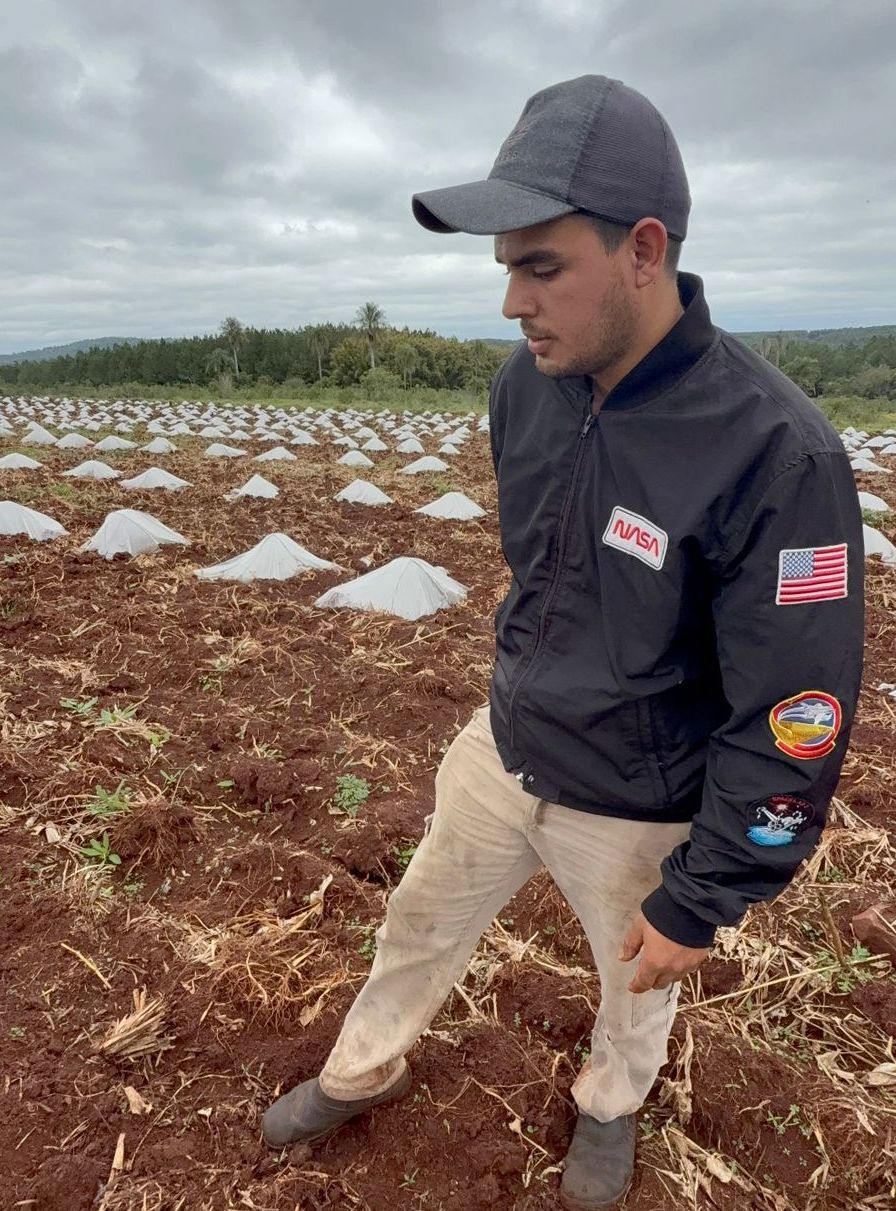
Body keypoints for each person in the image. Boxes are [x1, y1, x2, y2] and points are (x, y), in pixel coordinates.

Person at [263, 75, 864, 1210]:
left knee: (636, 983)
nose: (510, 304)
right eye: (503, 268)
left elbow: (796, 701)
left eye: (540, 267)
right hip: (507, 742)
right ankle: (362, 1065)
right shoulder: (524, 390)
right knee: (418, 920)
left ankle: (606, 1105)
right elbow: (540, 570)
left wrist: (707, 890)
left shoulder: (774, 453)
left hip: (637, 800)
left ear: (643, 249)